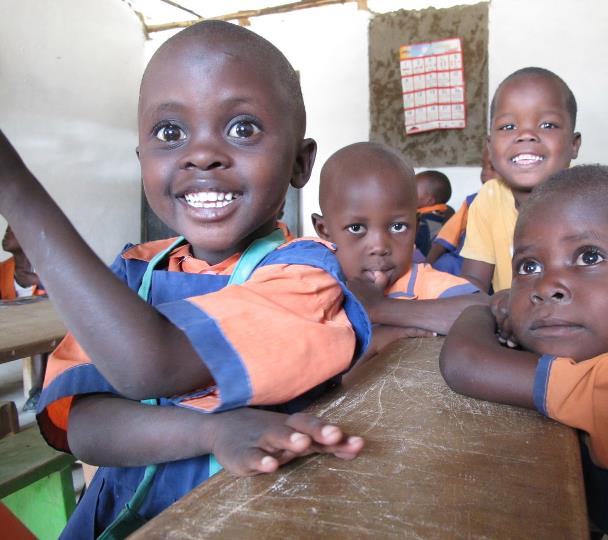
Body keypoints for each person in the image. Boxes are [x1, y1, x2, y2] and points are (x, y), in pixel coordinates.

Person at [0, 21, 369, 538]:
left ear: (299, 162)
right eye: (170, 134)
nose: (201, 154)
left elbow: (152, 365)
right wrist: (209, 432)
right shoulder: (134, 271)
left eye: (243, 128)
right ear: (142, 161)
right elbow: (85, 427)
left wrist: (15, 190)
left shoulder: (305, 279)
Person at [440, 165, 608, 540]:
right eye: (529, 266)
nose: (547, 286)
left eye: (589, 258)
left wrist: (482, 309)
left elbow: (467, 364)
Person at [311, 142, 486, 359]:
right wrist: (373, 343)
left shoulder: (424, 282)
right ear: (324, 230)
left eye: (398, 227)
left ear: (416, 225)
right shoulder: (313, 287)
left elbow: (486, 312)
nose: (379, 247)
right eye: (356, 228)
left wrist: (379, 307)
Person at [459, 67, 582, 293]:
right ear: (490, 148)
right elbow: (473, 283)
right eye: (508, 127)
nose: (526, 135)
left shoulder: (591, 200)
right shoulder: (489, 198)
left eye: (547, 125)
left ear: (574, 145)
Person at [426, 145, 497, 275]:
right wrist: (427, 265)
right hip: (462, 261)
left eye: (493, 168)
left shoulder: (520, 204)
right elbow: (448, 235)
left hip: (497, 268)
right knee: (444, 264)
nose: (484, 172)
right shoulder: (473, 202)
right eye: (483, 166)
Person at [1, 226, 47, 411]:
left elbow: (68, 295)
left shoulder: (47, 267)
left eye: (12, 228)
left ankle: (39, 390)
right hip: (13, 328)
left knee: (41, 328)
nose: (6, 233)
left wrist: (38, 281)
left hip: (45, 328)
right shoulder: (4, 270)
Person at [414, 170, 454, 256]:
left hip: (428, 261)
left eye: (413, 191)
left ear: (429, 201)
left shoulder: (426, 222)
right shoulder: (444, 212)